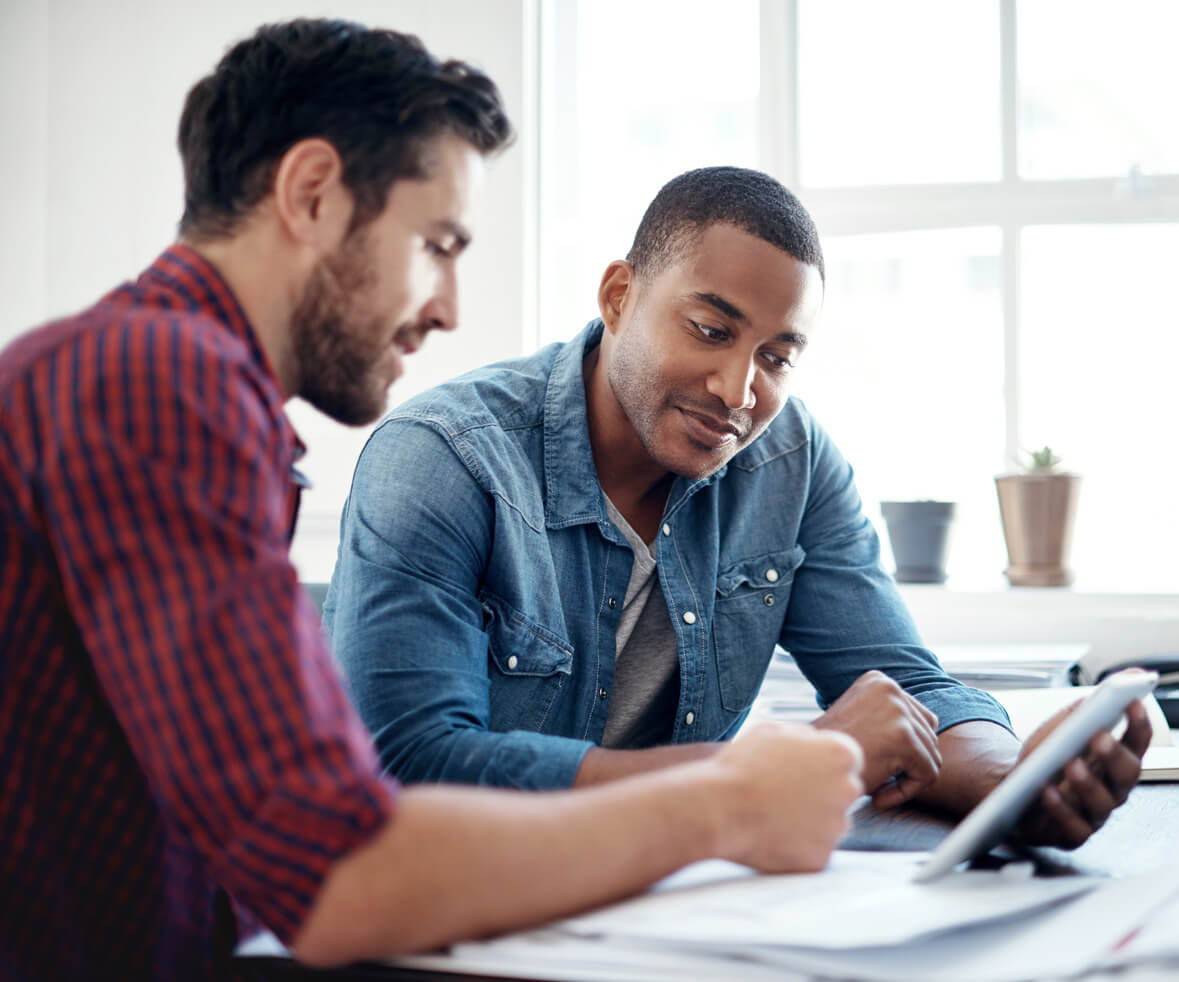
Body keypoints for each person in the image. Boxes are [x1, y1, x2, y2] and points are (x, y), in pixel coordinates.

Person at [0, 25, 863, 979]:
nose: (449, 305)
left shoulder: (161, 381)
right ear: (313, 193)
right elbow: (337, 871)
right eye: (437, 245)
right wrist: (729, 802)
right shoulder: (155, 383)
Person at [326, 165, 1151, 842]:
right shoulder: (442, 460)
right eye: (712, 331)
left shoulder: (789, 462)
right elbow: (410, 769)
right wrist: (776, 775)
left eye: (778, 356)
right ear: (619, 295)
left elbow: (902, 686)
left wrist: (1015, 785)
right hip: (456, 916)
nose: (739, 391)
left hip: (673, 911)